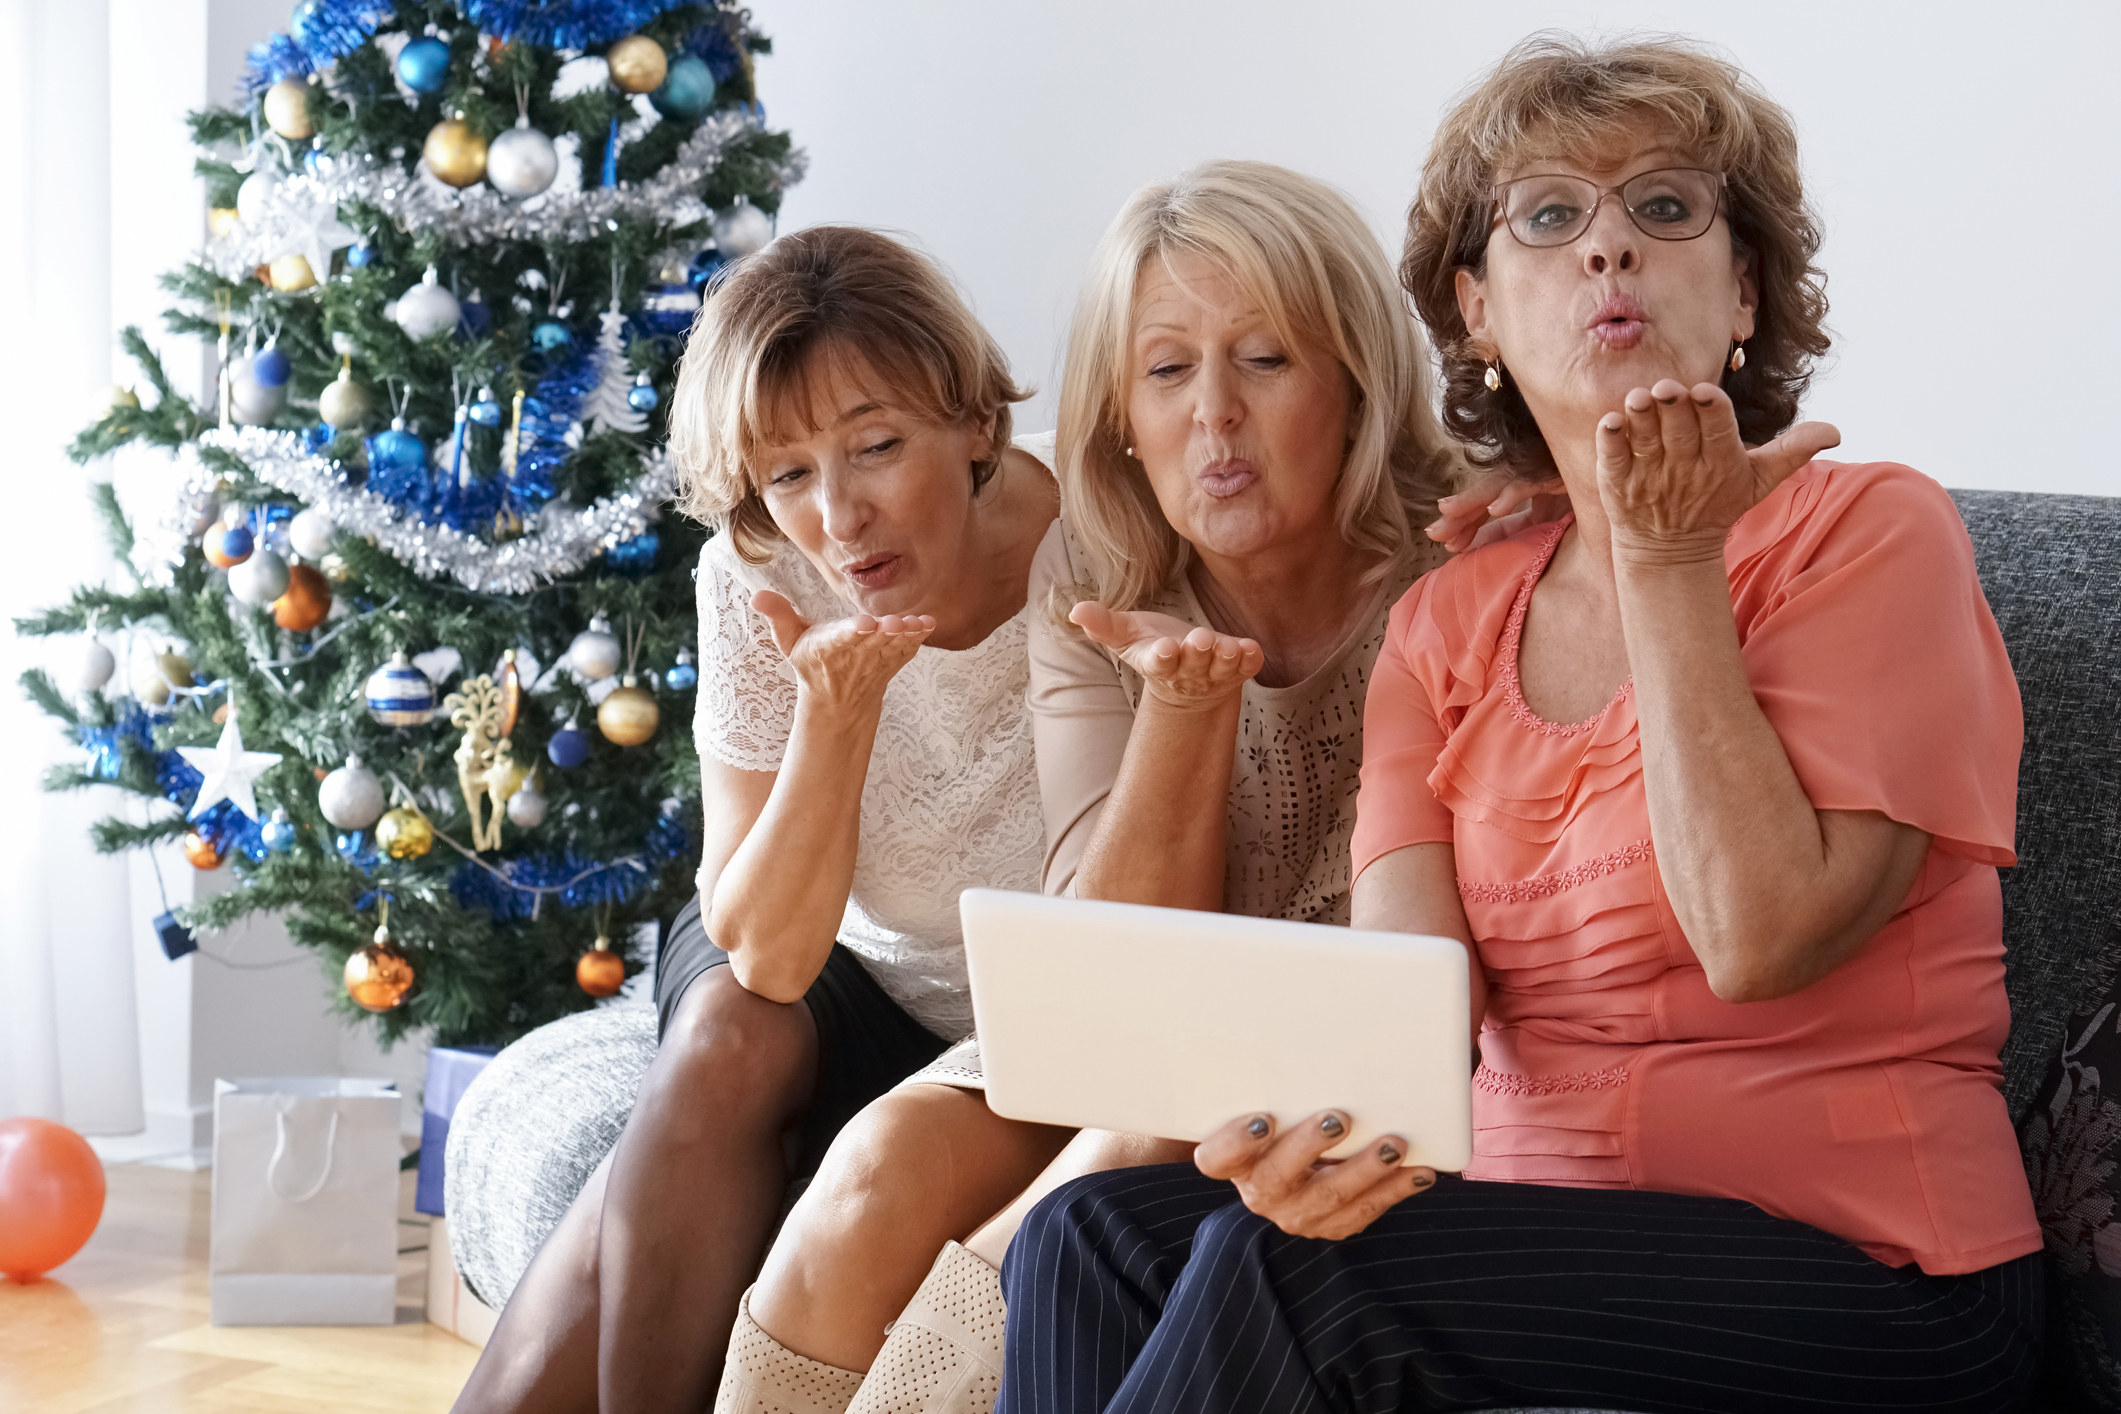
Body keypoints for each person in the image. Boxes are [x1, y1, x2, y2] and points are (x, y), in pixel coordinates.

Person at [995, 34, 2043, 1414]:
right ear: (1477, 309)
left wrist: (1667, 557)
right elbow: (1401, 1023)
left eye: (1665, 208)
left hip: (1875, 1265)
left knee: (1302, 1283)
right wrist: (1317, 1139)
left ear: (1744, 291)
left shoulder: (1866, 535)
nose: (1607, 250)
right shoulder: (1447, 623)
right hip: (1535, 1244)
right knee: (1089, 1235)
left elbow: (1761, 931)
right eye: (1549, 216)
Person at [715, 161, 1463, 1414]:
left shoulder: (1471, 552)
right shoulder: (1096, 573)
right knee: (877, 1165)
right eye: (1168, 372)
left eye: (1266, 360)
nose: (1213, 417)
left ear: (1357, 381)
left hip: (1349, 1035)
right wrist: (1183, 711)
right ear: (1120, 410)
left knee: (1107, 1171)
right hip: (1148, 1011)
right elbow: (1108, 976)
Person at [450, 225, 1067, 1414]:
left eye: (877, 446)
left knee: (609, 1234)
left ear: (977, 426)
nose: (838, 516)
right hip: (811, 950)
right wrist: (836, 716)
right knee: (734, 1028)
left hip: (1011, 1014)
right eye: (787, 474)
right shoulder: (754, 571)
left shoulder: (1102, 535)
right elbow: (768, 951)